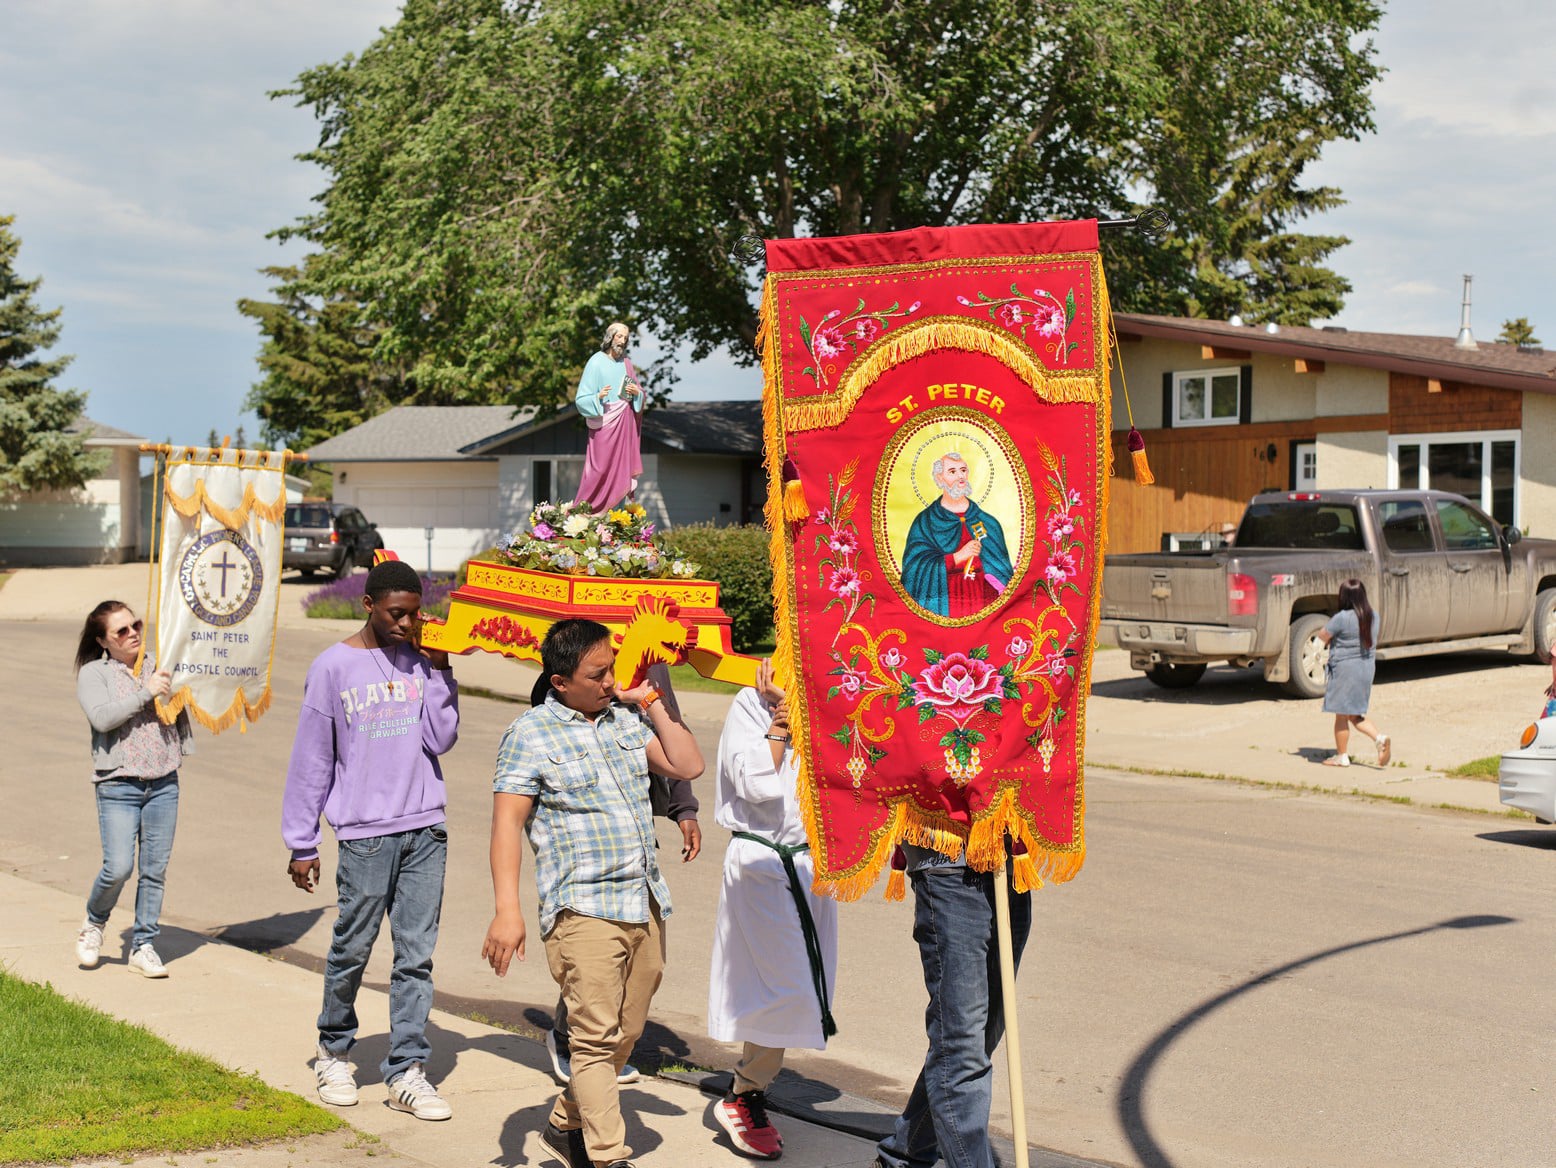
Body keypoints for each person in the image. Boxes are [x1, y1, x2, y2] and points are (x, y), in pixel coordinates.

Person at [484, 619, 704, 1168]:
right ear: (560, 681)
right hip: (581, 908)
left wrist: (649, 697)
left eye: (611, 669)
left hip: (643, 901)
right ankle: (607, 1155)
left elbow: (687, 764)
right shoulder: (530, 733)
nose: (610, 682)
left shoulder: (625, 720)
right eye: (597, 674)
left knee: (626, 1034)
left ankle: (565, 1122)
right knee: (593, 1039)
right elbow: (506, 826)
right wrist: (506, 912)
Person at [281, 559, 460, 1120]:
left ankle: (407, 1069)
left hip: (425, 828)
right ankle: (333, 1050)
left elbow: (442, 737)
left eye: (415, 615)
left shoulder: (422, 663)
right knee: (352, 949)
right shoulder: (333, 667)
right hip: (364, 835)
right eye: (396, 614)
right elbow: (312, 759)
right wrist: (302, 840)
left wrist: (442, 670)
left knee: (416, 956)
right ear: (369, 605)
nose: (408, 625)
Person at [546, 663, 704, 1088]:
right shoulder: (582, 647)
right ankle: (572, 1040)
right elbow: (551, 706)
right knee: (591, 951)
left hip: (633, 815)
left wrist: (682, 807)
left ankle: (603, 1055)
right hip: (586, 825)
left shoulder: (654, 658)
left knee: (637, 961)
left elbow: (673, 725)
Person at [708, 660, 838, 1162]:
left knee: (801, 989)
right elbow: (757, 786)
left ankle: (750, 1087)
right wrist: (781, 722)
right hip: (761, 863)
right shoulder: (750, 704)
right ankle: (744, 1093)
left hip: (810, 865)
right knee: (784, 988)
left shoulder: (835, 702)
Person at [873, 845, 1030, 1168]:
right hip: (948, 863)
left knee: (981, 1034)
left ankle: (906, 1152)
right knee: (962, 1046)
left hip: (1011, 863)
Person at [73, 600, 194, 977]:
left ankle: (143, 945)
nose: (132, 634)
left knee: (154, 870)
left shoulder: (158, 664)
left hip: (163, 782)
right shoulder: (95, 673)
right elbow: (103, 717)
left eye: (135, 625)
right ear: (103, 640)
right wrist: (147, 692)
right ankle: (94, 922)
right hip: (118, 785)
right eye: (121, 631)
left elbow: (184, 707)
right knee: (119, 867)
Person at [900, 452, 1013, 618]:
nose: (960, 476)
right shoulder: (925, 522)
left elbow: (1004, 575)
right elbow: (914, 570)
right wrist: (957, 557)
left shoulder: (988, 522)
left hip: (983, 603)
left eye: (963, 470)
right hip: (943, 604)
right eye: (952, 472)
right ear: (939, 479)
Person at [1318, 577, 1391, 767]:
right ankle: (1380, 739)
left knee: (1341, 715)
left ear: (1345, 597)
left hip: (1345, 670)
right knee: (1354, 715)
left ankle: (1341, 756)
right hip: (1366, 670)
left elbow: (1322, 635)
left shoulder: (1341, 617)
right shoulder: (1374, 616)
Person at [574, 321, 645, 512]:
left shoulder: (627, 365)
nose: (622, 341)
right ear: (610, 337)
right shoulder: (596, 361)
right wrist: (597, 397)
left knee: (621, 470)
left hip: (624, 423)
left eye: (626, 338)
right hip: (604, 422)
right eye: (619, 336)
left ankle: (614, 516)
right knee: (599, 469)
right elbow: (581, 398)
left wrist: (636, 393)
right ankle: (586, 511)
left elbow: (639, 392)